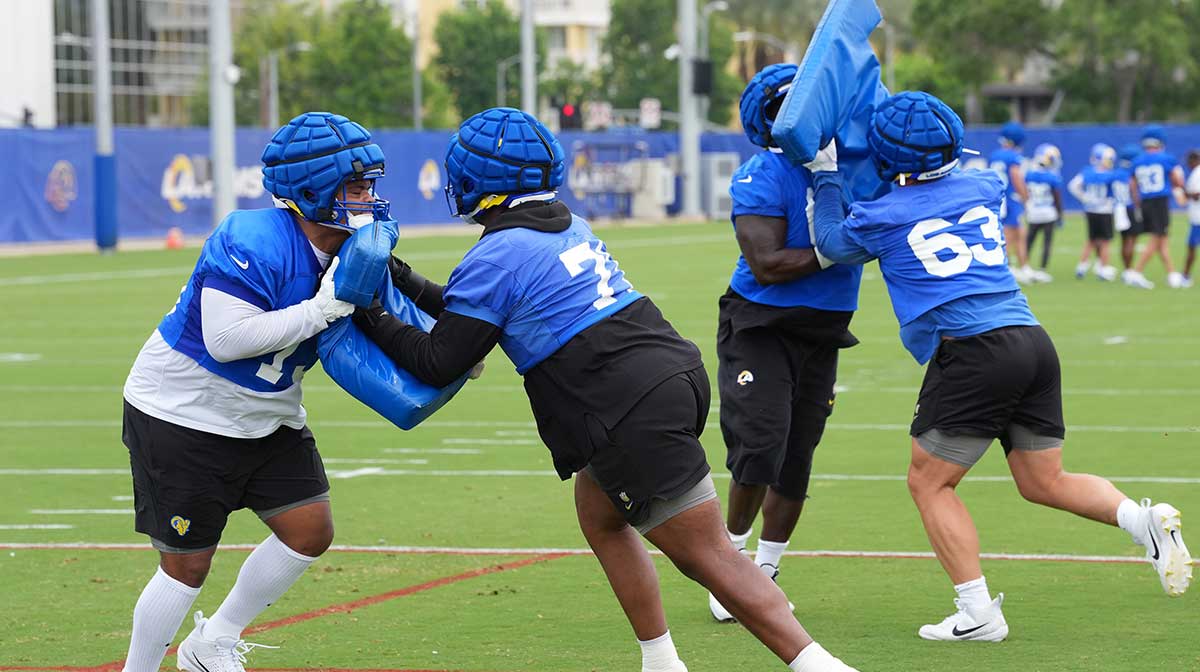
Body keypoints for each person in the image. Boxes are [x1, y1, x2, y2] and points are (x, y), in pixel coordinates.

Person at [353, 107, 860, 672]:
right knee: (601, 517)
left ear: (477, 182)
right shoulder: (566, 222)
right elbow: (474, 313)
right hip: (665, 369)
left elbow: (439, 359)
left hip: (618, 401)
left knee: (710, 556)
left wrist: (368, 308)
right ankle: (660, 661)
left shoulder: (494, 255)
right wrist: (398, 276)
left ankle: (818, 664)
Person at [805, 91, 1192, 642]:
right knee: (1043, 479)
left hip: (973, 350)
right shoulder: (984, 185)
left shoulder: (882, 214)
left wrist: (825, 172)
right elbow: (932, 177)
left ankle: (978, 613)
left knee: (930, 484)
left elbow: (830, 243)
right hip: (1031, 340)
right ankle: (1140, 520)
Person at [119, 112, 388, 672]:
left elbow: (388, 317)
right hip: (185, 411)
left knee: (309, 529)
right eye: (355, 184)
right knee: (187, 568)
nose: (367, 197)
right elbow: (225, 340)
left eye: (370, 184)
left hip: (267, 412)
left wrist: (445, 355)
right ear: (312, 186)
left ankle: (211, 642)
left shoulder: (356, 246)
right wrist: (322, 308)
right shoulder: (252, 237)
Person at [705, 64, 861, 623]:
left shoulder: (853, 167)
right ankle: (729, 565)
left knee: (797, 458)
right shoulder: (763, 172)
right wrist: (839, 248)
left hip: (823, 328)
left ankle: (765, 572)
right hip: (762, 324)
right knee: (759, 448)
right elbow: (767, 265)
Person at [1124, 125, 1188, 289]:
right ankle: (1137, 272)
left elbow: (1132, 184)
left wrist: (1137, 202)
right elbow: (1176, 179)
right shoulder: (1166, 158)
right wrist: (1182, 189)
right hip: (1159, 201)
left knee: (1162, 240)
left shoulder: (1137, 160)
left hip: (1145, 201)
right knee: (1157, 238)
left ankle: (1172, 274)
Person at [1068, 143, 1120, 281]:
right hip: (1104, 210)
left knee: (1091, 240)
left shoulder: (1087, 172)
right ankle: (1103, 268)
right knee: (1105, 242)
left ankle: (1082, 266)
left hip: (1090, 210)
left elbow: (1073, 186)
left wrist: (1085, 198)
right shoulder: (1111, 175)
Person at [989, 121, 1032, 283]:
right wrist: (1025, 195)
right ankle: (1006, 267)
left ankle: (1023, 266)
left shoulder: (995, 154)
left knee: (1019, 232)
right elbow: (1016, 176)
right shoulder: (1013, 156)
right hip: (1009, 198)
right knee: (1011, 233)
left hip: (998, 197)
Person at [1022, 143, 1063, 283]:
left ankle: (1024, 266)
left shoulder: (1029, 174)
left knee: (1029, 241)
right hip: (1048, 212)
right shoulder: (1052, 177)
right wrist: (1060, 215)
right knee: (1047, 242)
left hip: (1033, 212)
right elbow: (1057, 197)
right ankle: (1042, 270)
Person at [1114, 143, 1142, 272]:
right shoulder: (1131, 174)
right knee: (1131, 239)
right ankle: (1129, 269)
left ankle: (1126, 269)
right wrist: (1138, 207)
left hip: (1118, 208)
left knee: (1123, 240)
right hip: (1130, 208)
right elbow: (1133, 190)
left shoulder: (1115, 173)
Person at [1181, 150, 1200, 287]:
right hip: (1196, 217)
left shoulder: (1197, 173)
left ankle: (1185, 277)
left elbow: (1197, 195)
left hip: (1198, 219)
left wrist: (1183, 191)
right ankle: (1185, 276)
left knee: (1191, 247)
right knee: (1191, 247)